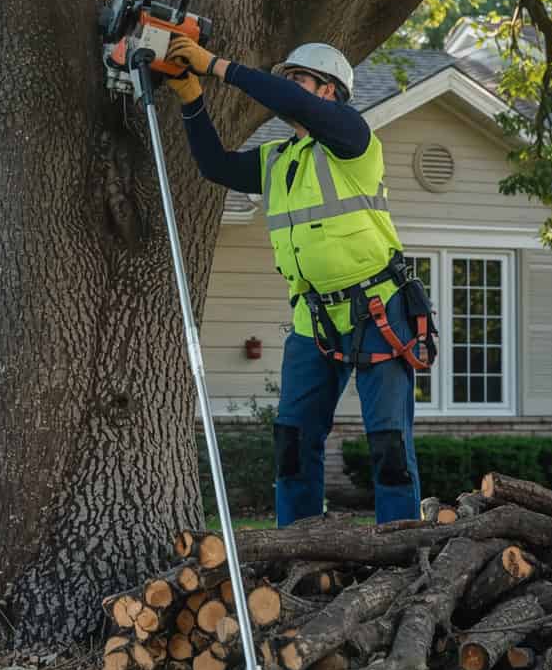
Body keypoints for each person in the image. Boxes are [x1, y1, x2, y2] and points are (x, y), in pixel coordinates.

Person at [165, 36, 435, 527]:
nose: (285, 88)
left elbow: (287, 101)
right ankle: (298, 549)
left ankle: (401, 551)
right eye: (285, 79)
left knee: (389, 443)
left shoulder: (354, 141)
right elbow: (215, 165)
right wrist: (191, 97)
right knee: (293, 440)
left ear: (328, 92)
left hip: (380, 309)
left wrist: (217, 66)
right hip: (313, 319)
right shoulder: (277, 161)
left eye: (298, 79)